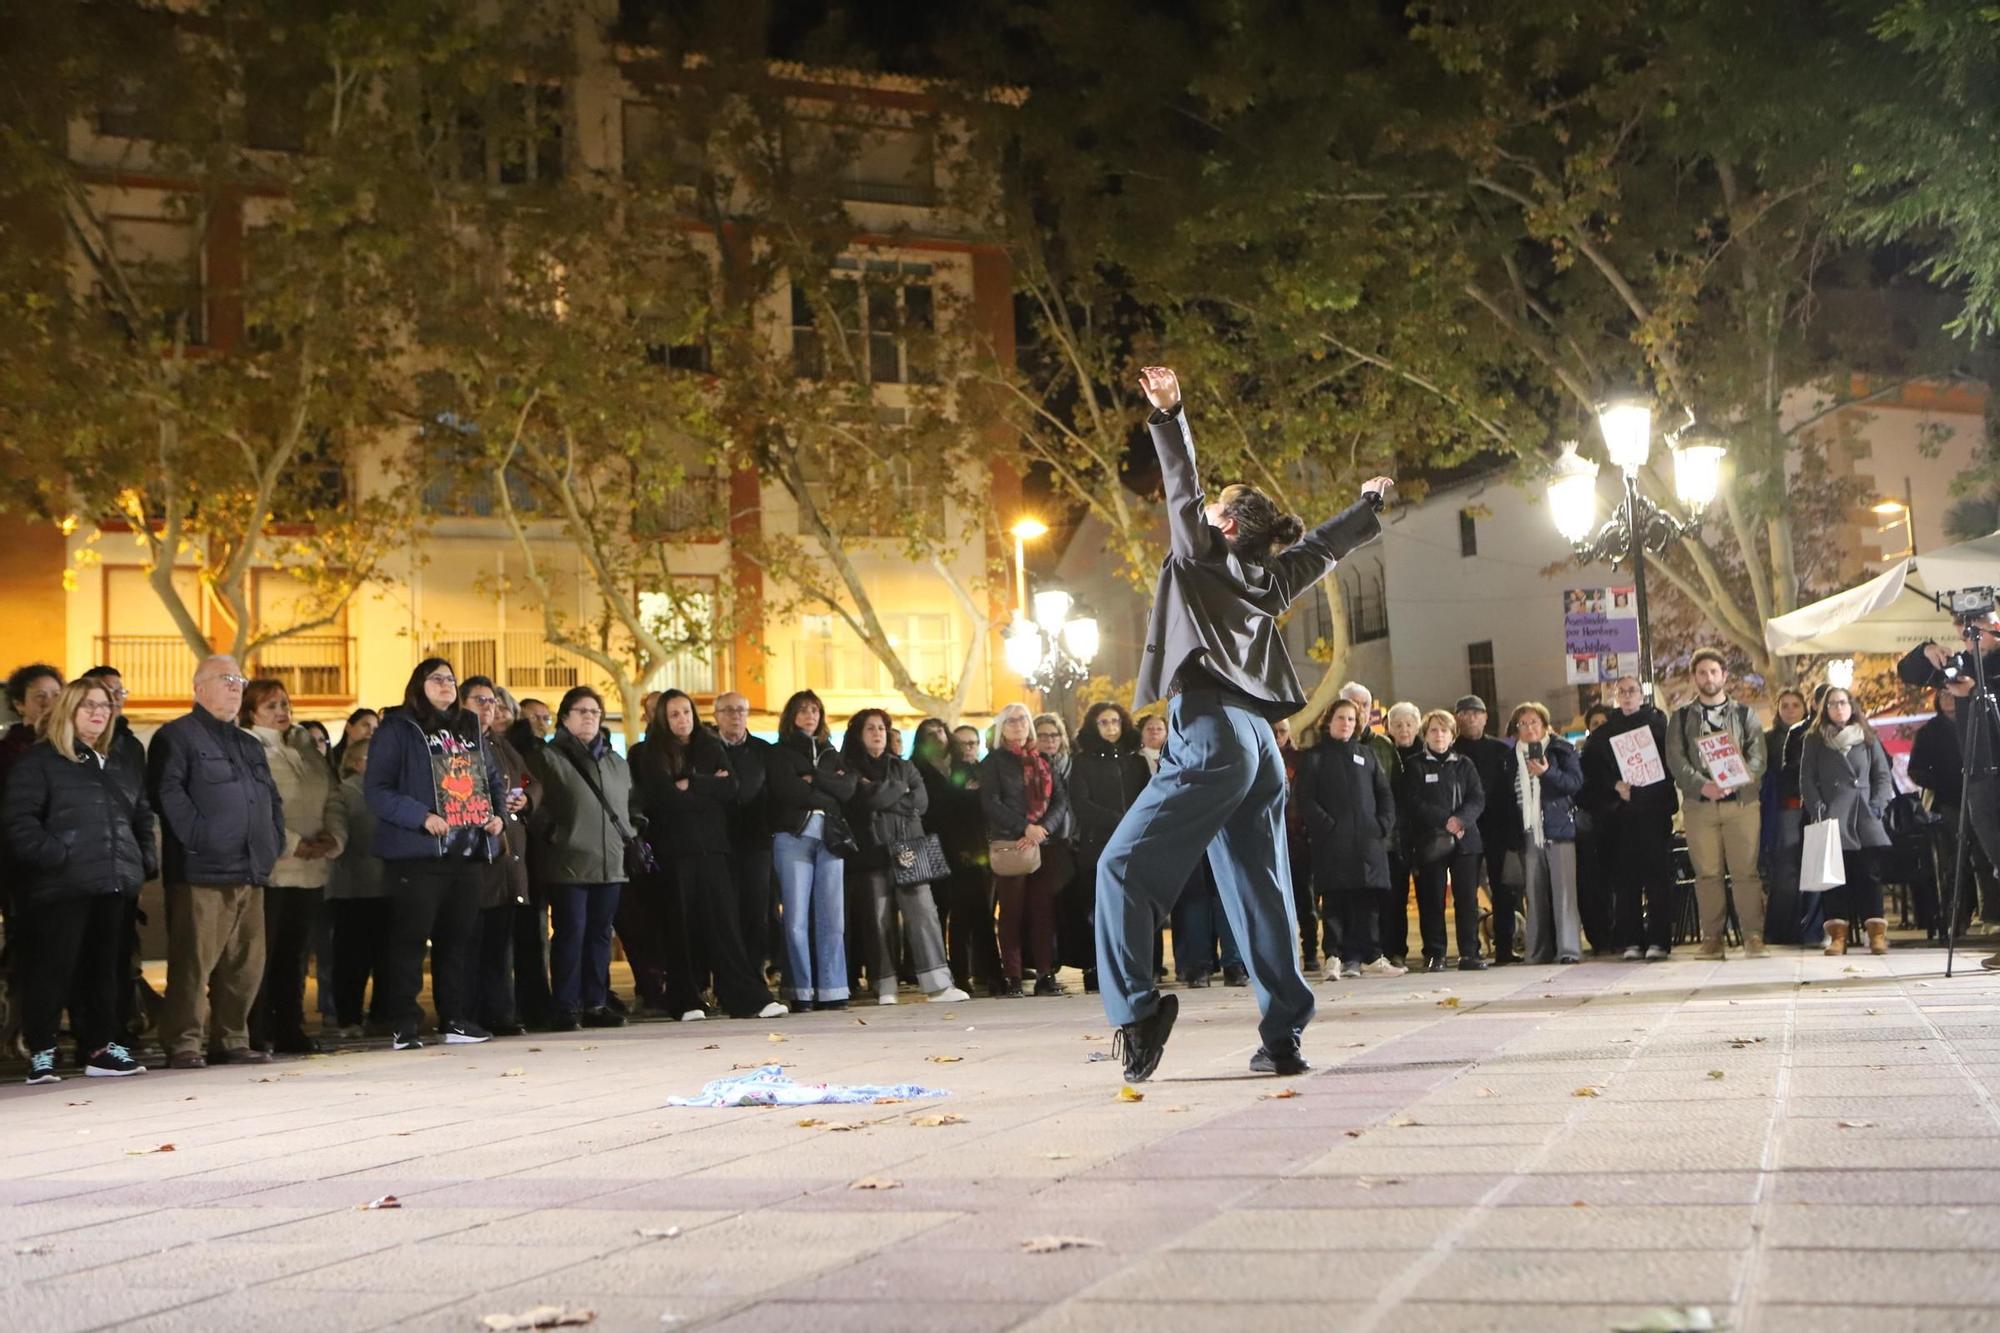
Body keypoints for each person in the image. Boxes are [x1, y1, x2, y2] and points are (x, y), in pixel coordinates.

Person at [1096, 364, 1390, 1082]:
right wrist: (1368, 506)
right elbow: (1320, 550)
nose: (1198, 517)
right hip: (1261, 742)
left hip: (1210, 729)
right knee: (1261, 887)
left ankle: (1137, 1012)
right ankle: (1283, 1035)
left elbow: (1181, 485)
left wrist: (1171, 411)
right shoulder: (1270, 575)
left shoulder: (1201, 556)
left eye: (1212, 511)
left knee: (1121, 868)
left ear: (1225, 525)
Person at [3, 678, 155, 1082]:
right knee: (52, 970)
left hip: (115, 882)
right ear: (68, 710)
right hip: (60, 886)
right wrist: (58, 856)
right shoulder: (39, 762)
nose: (98, 712)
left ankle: (101, 1048)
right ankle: (42, 1051)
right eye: (87, 705)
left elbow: (141, 816)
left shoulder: (120, 763)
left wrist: (143, 860)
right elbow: (20, 822)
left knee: (107, 972)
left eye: (104, 705)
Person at [366, 658, 510, 1049]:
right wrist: (421, 817)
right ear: (419, 684)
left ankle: (455, 1020)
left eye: (451, 679)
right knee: (410, 940)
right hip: (417, 853)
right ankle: (404, 1024)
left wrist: (497, 817)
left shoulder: (468, 727)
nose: (446, 685)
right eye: (437, 678)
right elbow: (376, 790)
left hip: (466, 851)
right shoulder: (398, 727)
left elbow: (492, 780)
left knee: (457, 939)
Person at [149, 655, 283, 1068]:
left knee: (245, 964)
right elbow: (168, 795)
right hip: (201, 871)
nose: (235, 686)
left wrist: (272, 841)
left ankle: (231, 1039)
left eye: (239, 679)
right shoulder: (176, 737)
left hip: (250, 868)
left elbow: (270, 800)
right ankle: (185, 1043)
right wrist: (200, 839)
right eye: (226, 678)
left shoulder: (247, 743)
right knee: (194, 962)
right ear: (199, 686)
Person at [632, 690, 786, 1021]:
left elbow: (731, 789)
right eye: (673, 714)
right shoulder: (651, 753)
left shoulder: (709, 745)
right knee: (682, 927)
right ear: (663, 719)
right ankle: (686, 999)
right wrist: (705, 790)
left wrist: (692, 783)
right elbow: (663, 798)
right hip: (676, 853)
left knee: (725, 926)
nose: (682, 719)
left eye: (686, 712)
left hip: (715, 850)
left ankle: (745, 997)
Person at [840, 707, 967, 1006]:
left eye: (882, 728)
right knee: (878, 919)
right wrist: (898, 791)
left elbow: (919, 803)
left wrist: (883, 795)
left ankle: (937, 984)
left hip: (910, 848)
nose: (877, 733)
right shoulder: (850, 769)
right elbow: (864, 802)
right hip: (871, 850)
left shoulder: (904, 766)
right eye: (870, 728)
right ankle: (885, 985)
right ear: (859, 734)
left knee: (924, 913)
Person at [523, 685, 633, 1030]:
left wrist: (634, 829)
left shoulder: (615, 761)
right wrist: (553, 833)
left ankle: (596, 1003)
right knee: (571, 932)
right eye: (581, 711)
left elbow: (632, 803)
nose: (589, 717)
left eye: (595, 712)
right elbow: (534, 804)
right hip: (567, 860)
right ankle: (566, 1005)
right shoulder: (547, 756)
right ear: (565, 718)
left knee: (601, 934)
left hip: (609, 862)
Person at [241, 679, 340, 1054]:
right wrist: (296, 844)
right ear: (252, 713)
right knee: (262, 953)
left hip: (311, 870)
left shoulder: (304, 748)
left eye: (285, 704)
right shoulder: (249, 747)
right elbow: (255, 807)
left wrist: (333, 838)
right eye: (271, 706)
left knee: (295, 955)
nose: (281, 711)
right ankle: (256, 1027)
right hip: (275, 869)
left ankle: (290, 1027)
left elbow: (333, 795)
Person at [1901, 627, 2000, 967]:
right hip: (1976, 777)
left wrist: (1979, 688)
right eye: (1963, 625)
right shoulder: (1965, 664)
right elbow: (1908, 671)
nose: (1969, 633)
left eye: (1979, 626)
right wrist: (1927, 650)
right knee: (1991, 857)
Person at [1666, 648, 1770, 958]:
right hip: (1700, 806)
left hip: (1742, 805)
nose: (1708, 678)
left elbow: (1758, 757)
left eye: (1714, 672)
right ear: (1694, 678)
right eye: (1702, 673)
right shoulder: (1681, 717)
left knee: (1746, 873)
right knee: (1707, 874)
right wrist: (1703, 786)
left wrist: (1735, 780)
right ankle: (1712, 938)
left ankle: (1754, 937)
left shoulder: (1744, 714)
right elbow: (1676, 761)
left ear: (1724, 676)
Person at [1300, 698, 1402, 979]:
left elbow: (1384, 794)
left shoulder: (1366, 755)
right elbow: (1306, 799)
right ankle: (1334, 955)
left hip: (1367, 841)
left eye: (1351, 720)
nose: (1346, 724)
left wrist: (1383, 824)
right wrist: (1327, 826)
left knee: (1367, 900)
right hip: (1332, 842)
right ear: (1328, 721)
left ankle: (1370, 955)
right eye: (1341, 718)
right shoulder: (1315, 757)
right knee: (1334, 899)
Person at [767, 689, 857, 1010]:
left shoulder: (833, 753)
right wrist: (824, 788)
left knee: (833, 916)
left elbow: (847, 791)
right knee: (795, 917)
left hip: (830, 836)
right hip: (793, 835)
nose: (810, 716)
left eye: (815, 710)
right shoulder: (779, 753)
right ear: (792, 716)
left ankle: (833, 989)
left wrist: (814, 779)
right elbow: (787, 790)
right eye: (803, 710)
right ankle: (799, 990)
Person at [77, 664, 153, 1037]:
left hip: (124, 867)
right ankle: (85, 1034)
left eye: (118, 695)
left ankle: (117, 1030)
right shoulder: (61, 748)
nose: (112, 703)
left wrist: (145, 859)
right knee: (84, 955)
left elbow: (142, 807)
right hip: (78, 871)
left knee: (120, 953)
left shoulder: (130, 747)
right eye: (105, 695)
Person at [1582, 676, 1679, 961]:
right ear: (1615, 695)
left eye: (1631, 691)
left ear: (1641, 694)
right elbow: (1592, 773)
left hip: (1653, 813)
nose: (1626, 696)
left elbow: (1671, 765)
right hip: (1620, 818)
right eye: (1621, 691)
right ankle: (1632, 940)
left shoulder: (1659, 726)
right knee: (1625, 882)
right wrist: (1614, 786)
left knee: (1658, 879)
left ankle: (1659, 940)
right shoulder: (1603, 734)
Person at [1799, 686, 1895, 955]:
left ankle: (1875, 933)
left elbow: (1882, 776)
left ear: (1852, 706)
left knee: (1869, 875)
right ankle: (1838, 936)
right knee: (1835, 878)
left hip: (1864, 815)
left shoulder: (1868, 737)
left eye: (1843, 702)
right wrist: (1819, 808)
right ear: (1824, 709)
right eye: (1832, 704)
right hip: (1833, 816)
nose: (1838, 708)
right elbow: (1807, 779)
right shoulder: (1815, 739)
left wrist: (1878, 805)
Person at [982, 702, 1069, 996]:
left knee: (1043, 912)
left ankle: (1046, 974)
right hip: (1012, 844)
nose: (1018, 724)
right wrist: (1024, 828)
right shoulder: (994, 762)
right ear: (1002, 728)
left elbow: (1060, 800)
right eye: (1011, 721)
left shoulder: (1043, 759)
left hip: (1044, 844)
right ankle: (1013, 977)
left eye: (1023, 719)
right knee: (1011, 913)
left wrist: (1042, 830)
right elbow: (991, 803)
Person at [464, 677, 531, 1037]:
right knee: (473, 940)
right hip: (475, 853)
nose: (487, 708)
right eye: (479, 701)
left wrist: (526, 799)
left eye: (491, 702)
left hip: (506, 855)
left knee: (498, 941)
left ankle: (500, 1011)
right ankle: (471, 1012)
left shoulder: (500, 744)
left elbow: (529, 780)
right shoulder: (457, 744)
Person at [1069, 703, 1150, 994]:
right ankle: (1096, 970)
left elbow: (1148, 796)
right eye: (1104, 722)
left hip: (1134, 846)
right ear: (1094, 726)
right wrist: (1118, 820)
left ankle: (1136, 970)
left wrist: (1134, 824)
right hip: (1097, 845)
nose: (1111, 727)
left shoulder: (1136, 761)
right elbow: (1081, 803)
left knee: (1132, 911)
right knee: (1096, 911)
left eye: (1115, 721)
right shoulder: (1082, 762)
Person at [917, 719, 1001, 995]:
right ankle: (952, 974)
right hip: (934, 848)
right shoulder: (918, 770)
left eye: (940, 730)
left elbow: (978, 804)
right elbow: (928, 809)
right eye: (929, 734)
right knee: (941, 912)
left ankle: (990, 974)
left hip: (970, 848)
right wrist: (962, 796)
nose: (936, 737)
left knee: (978, 912)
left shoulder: (965, 767)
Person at [1403, 709, 1486, 973]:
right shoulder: (1415, 765)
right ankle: (1435, 954)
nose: (1439, 735)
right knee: (1432, 900)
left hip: (1465, 842)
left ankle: (1469, 954)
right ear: (1425, 734)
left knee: (1466, 900)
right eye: (1434, 730)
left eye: (1444, 730)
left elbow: (1477, 799)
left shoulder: (1464, 764)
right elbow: (1413, 801)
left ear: (1453, 735)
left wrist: (1459, 821)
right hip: (1431, 843)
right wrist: (1445, 821)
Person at [1909, 686, 1999, 931]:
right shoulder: (1930, 731)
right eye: (1943, 695)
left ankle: (1991, 914)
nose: (1948, 699)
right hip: (1950, 802)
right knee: (1953, 863)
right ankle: (1957, 916)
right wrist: (1939, 782)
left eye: (1951, 695)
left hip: (1981, 797)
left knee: (1985, 858)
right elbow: (1916, 769)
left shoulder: (1977, 722)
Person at [1507, 702, 1585, 965]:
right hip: (1528, 832)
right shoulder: (1511, 757)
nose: (1529, 728)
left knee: (1564, 892)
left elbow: (1574, 784)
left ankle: (1569, 950)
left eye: (1534, 722)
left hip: (1558, 828)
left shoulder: (1561, 749)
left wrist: (1547, 772)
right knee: (1534, 892)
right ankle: (1538, 951)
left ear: (1545, 725)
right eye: (1523, 723)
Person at [324, 737, 389, 1039]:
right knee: (353, 957)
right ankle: (349, 1017)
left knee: (384, 956)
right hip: (353, 889)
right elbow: (337, 829)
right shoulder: (346, 791)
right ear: (358, 762)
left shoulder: (386, 792)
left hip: (384, 886)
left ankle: (380, 1015)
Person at [713, 692, 777, 975]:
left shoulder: (764, 751)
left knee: (757, 913)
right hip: (718, 844)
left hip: (757, 843)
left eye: (741, 710)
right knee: (723, 915)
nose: (735, 716)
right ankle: (727, 978)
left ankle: (754, 973)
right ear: (716, 716)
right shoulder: (706, 750)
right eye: (728, 710)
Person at [1453, 694, 1519, 965]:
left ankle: (1505, 947)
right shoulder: (1452, 751)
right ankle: (1470, 950)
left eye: (1476, 713)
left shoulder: (1501, 750)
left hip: (1498, 830)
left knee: (1504, 891)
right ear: (1457, 718)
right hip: (1466, 831)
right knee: (1466, 893)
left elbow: (1512, 793)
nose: (1471, 718)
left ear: (1485, 717)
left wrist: (1513, 833)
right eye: (1465, 713)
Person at [1033, 711, 1084, 986]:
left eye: (1054, 735)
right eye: (1042, 735)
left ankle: (1086, 965)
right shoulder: (1030, 766)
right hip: (1043, 844)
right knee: (1044, 911)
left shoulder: (1073, 764)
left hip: (1072, 843)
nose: (1049, 740)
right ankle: (1046, 968)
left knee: (1074, 908)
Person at [1761, 687, 1813, 946]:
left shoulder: (1814, 735)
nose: (1791, 710)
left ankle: (1809, 926)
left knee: (1811, 869)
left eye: (1795, 705)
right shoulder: (1768, 740)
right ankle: (1780, 929)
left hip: (1811, 810)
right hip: (1784, 810)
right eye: (1785, 705)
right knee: (1786, 871)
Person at [1382, 701, 1423, 965]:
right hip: (1394, 837)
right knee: (1394, 898)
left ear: (1417, 726)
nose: (1404, 729)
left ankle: (1434, 950)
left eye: (1409, 724)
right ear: (1389, 728)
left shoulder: (1427, 752)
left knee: (1429, 896)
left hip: (1423, 836)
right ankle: (1395, 951)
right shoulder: (1384, 753)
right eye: (1398, 725)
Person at [1, 664, 65, 775]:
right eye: (40, 696)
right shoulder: (7, 751)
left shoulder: (70, 744)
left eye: (56, 695)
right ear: (19, 704)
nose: (50, 703)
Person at [328, 707, 378, 774]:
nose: (371, 732)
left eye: (375, 729)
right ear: (348, 727)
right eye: (365, 725)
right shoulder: (330, 760)